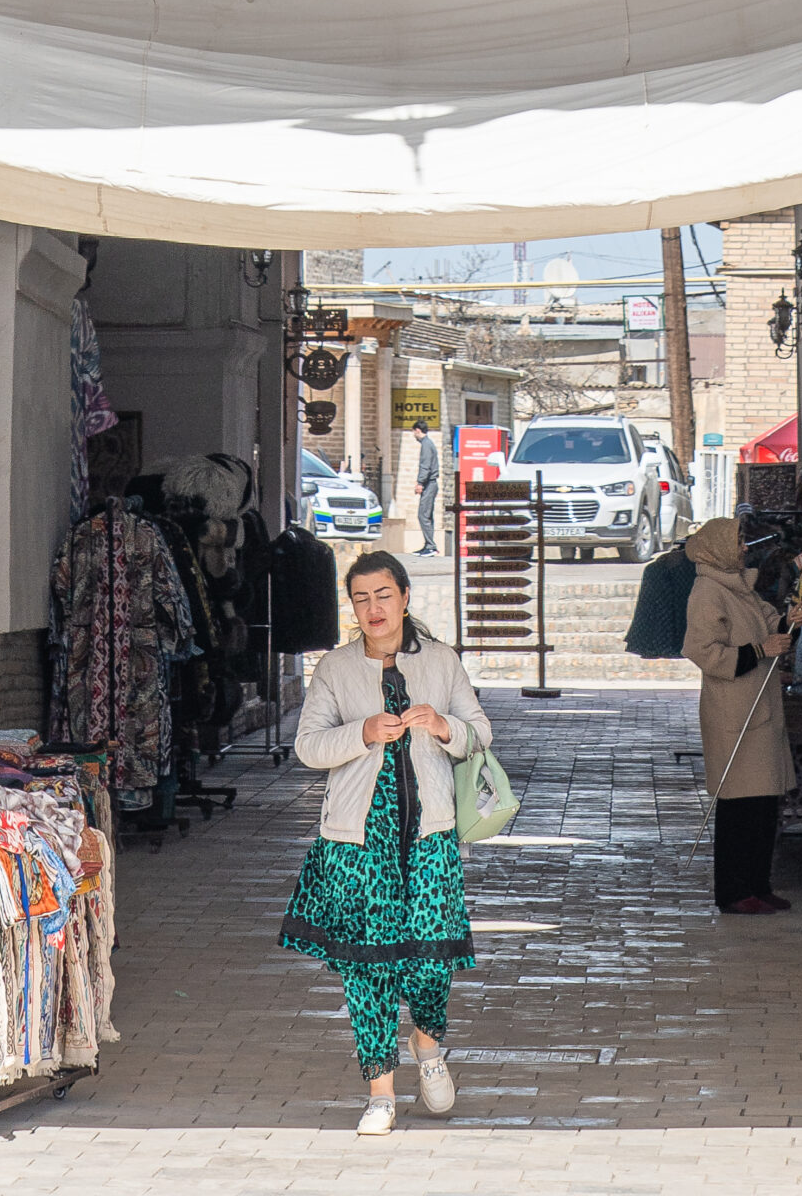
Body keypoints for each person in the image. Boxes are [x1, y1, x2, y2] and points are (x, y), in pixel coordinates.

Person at [280, 548, 493, 1133]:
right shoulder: (336, 668)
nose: (373, 608)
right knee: (366, 969)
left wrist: (443, 725)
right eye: (361, 598)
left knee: (430, 962)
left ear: (404, 598)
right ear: (352, 606)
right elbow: (309, 747)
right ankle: (380, 1092)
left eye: (383, 595)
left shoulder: (442, 661)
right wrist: (364, 731)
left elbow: (480, 732)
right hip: (357, 841)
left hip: (429, 835)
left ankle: (429, 1051)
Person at [681, 515, 794, 915]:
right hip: (734, 710)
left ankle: (759, 884)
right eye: (739, 542)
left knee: (764, 802)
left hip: (760, 706)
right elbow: (703, 650)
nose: (745, 548)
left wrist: (788, 623)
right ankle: (733, 891)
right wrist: (762, 650)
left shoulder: (740, 586)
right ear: (719, 548)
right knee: (739, 805)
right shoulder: (707, 592)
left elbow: (767, 623)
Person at [414, 420, 440, 555]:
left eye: (414, 432)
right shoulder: (428, 444)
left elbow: (425, 466)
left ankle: (430, 546)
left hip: (429, 483)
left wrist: (420, 483)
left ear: (418, 430)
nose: (414, 435)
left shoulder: (426, 445)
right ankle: (428, 545)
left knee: (423, 515)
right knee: (427, 515)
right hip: (430, 483)